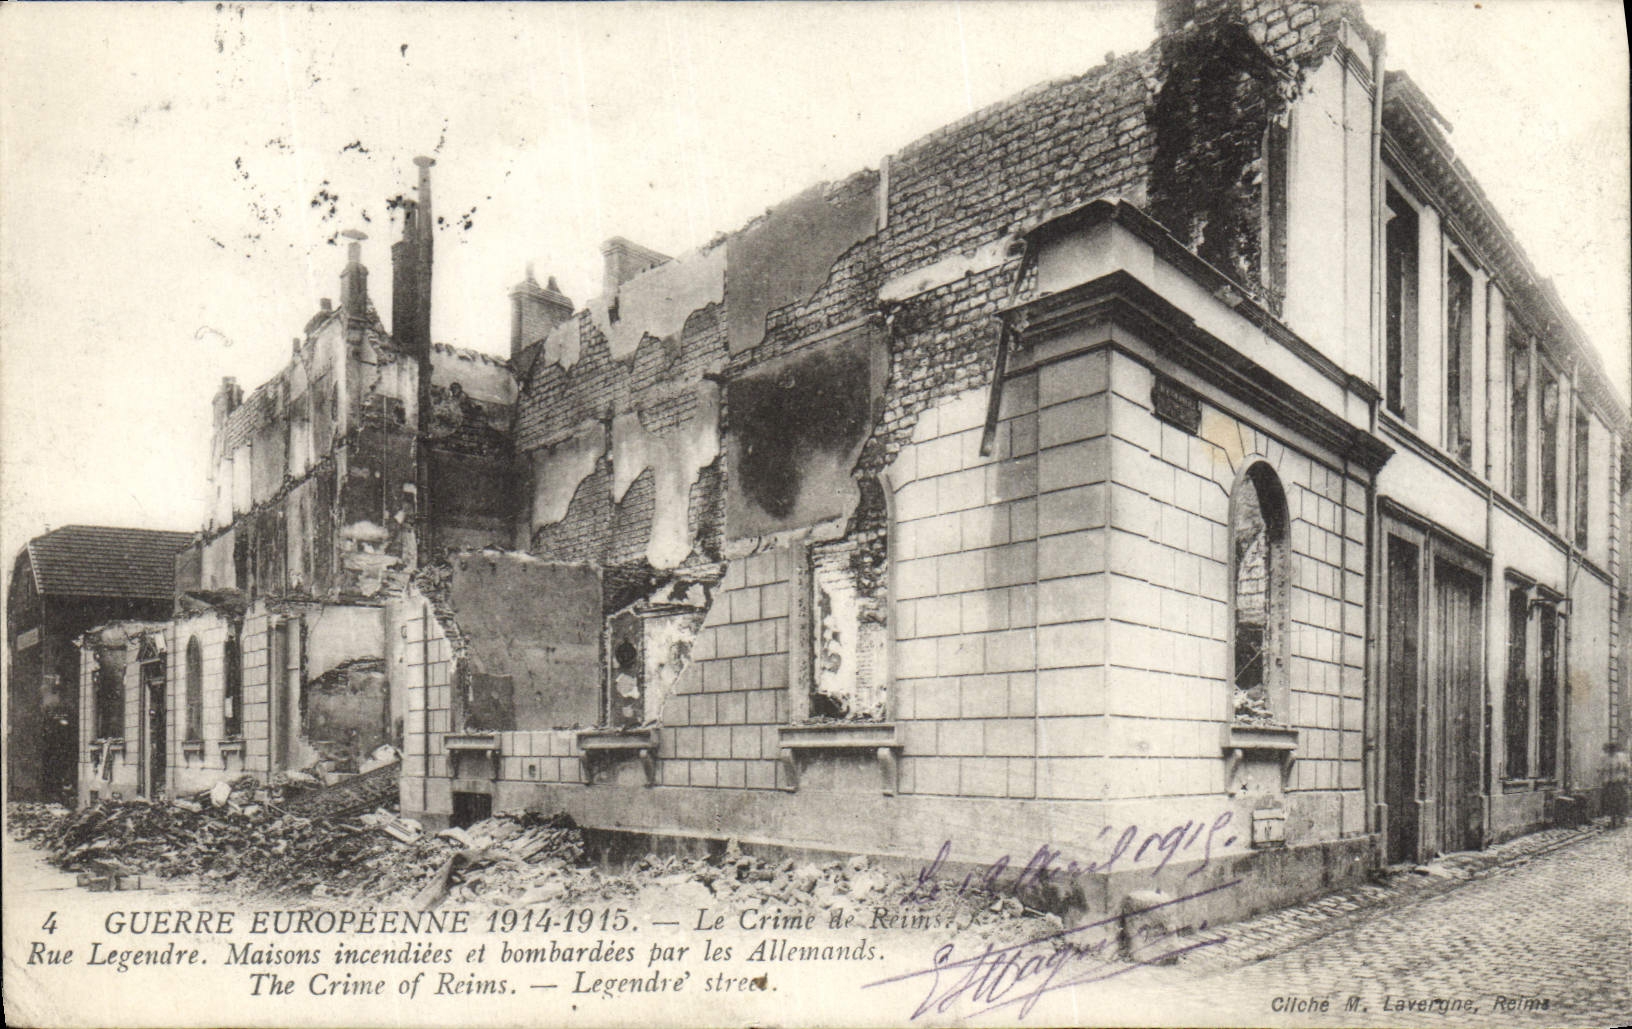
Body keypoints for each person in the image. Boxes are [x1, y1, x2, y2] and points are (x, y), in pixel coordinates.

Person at [1602, 740, 1629, 829]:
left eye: (1613, 749)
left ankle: (1622, 818)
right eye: (1610, 750)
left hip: (1619, 781)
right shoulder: (1605, 758)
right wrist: (1603, 779)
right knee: (1609, 800)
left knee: (1620, 799)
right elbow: (1602, 769)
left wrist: (1626, 778)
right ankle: (1612, 818)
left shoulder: (1621, 757)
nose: (1611, 751)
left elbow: (1626, 768)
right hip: (1609, 782)